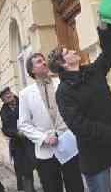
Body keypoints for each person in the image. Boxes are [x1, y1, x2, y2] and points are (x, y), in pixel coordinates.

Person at [48, 17, 111, 192]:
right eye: (67, 52)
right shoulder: (63, 92)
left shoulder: (92, 72)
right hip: (95, 157)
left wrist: (104, 27)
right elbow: (79, 126)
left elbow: (109, 53)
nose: (73, 50)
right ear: (62, 63)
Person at [18, 53, 84, 192]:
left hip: (68, 145)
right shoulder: (25, 94)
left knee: (76, 186)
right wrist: (43, 138)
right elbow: (24, 124)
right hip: (45, 152)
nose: (44, 63)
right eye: (39, 62)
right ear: (32, 70)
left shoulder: (61, 83)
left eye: (44, 60)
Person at [0, 86, 36, 192]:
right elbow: (5, 129)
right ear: (3, 100)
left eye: (8, 93)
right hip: (18, 145)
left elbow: (33, 116)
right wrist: (16, 133)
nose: (7, 95)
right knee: (23, 173)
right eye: (4, 96)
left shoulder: (23, 102)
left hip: (32, 140)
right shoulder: (3, 112)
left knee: (39, 165)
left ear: (11, 93)